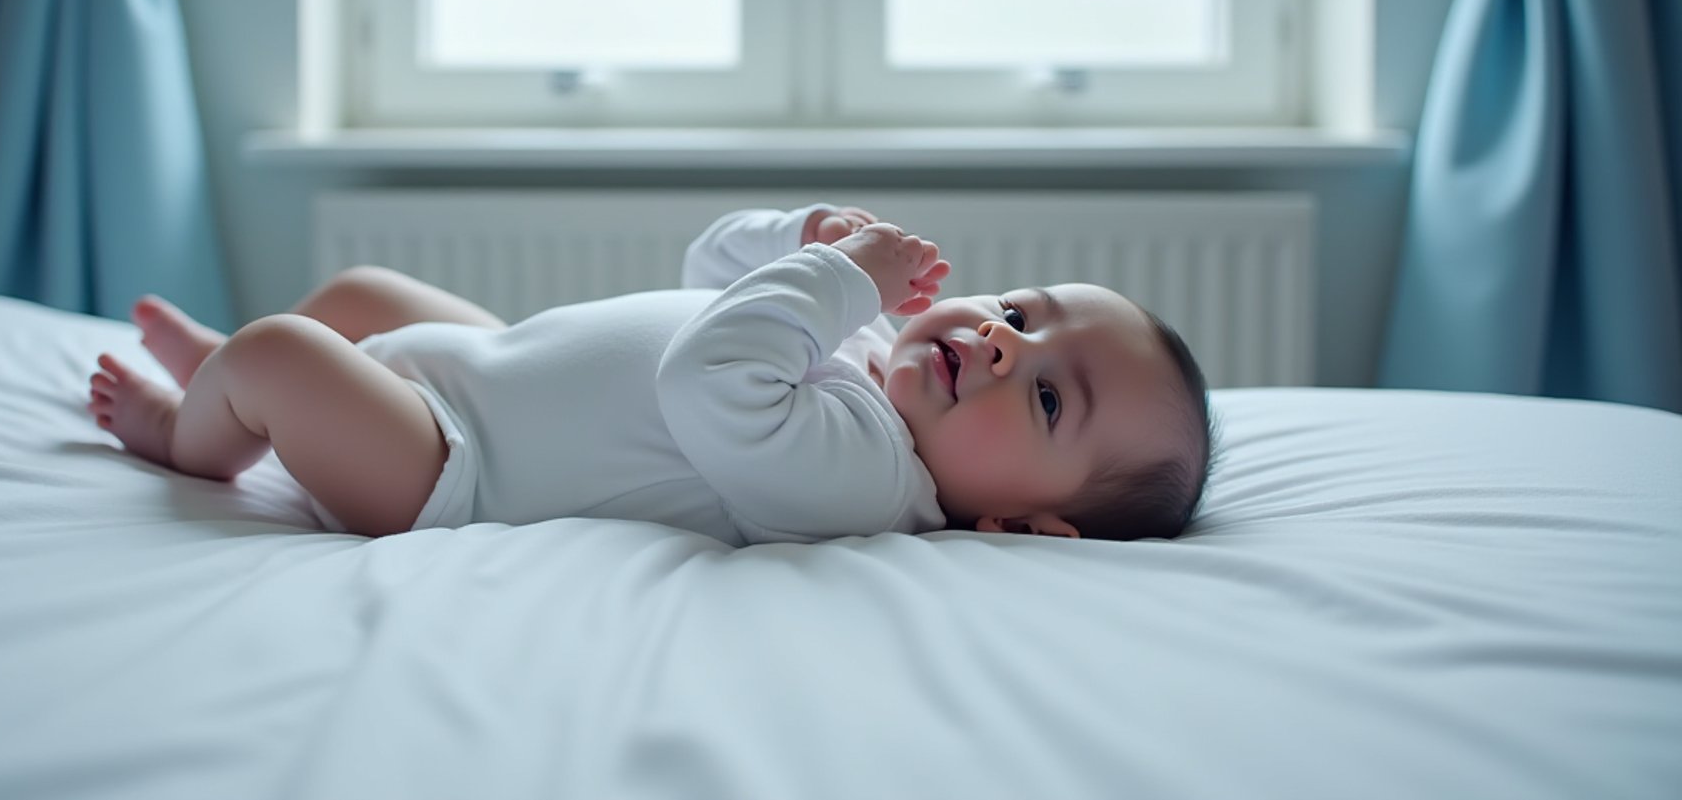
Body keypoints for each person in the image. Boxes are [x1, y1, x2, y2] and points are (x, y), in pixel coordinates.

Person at [88, 204, 1214, 545]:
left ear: (1022, 525)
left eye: (1049, 395)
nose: (1007, 343)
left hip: (450, 465)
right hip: (489, 364)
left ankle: (193, 427)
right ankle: (225, 377)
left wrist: (834, 277)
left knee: (282, 354)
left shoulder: (872, 478)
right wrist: (796, 236)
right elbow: (707, 277)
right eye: (1019, 311)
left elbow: (706, 376)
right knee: (362, 290)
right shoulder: (875, 354)